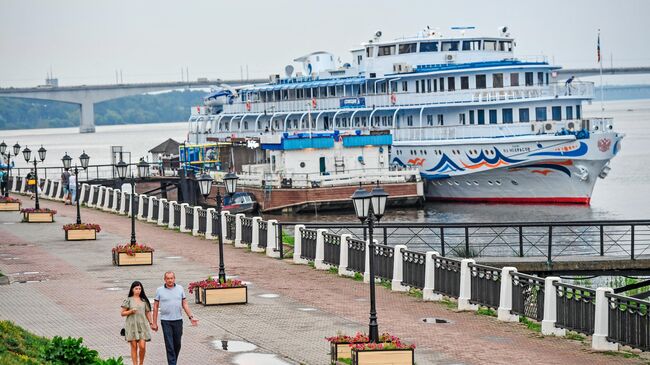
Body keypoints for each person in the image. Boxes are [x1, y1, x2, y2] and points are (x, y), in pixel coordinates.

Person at [152, 271, 198, 365]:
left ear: (174, 279)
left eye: (171, 278)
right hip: (166, 321)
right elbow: (155, 306)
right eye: (168, 278)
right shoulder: (159, 290)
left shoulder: (180, 288)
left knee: (177, 344)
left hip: (178, 320)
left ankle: (173, 362)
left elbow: (184, 304)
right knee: (169, 345)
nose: (170, 280)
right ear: (164, 279)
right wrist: (154, 322)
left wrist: (191, 317)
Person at [121, 281, 153, 365]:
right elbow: (122, 313)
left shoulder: (144, 300)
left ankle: (141, 363)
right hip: (131, 326)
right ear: (132, 289)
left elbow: (148, 312)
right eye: (136, 289)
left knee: (142, 347)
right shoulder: (128, 300)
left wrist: (151, 323)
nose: (138, 290)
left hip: (142, 326)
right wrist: (130, 311)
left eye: (139, 289)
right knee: (134, 347)